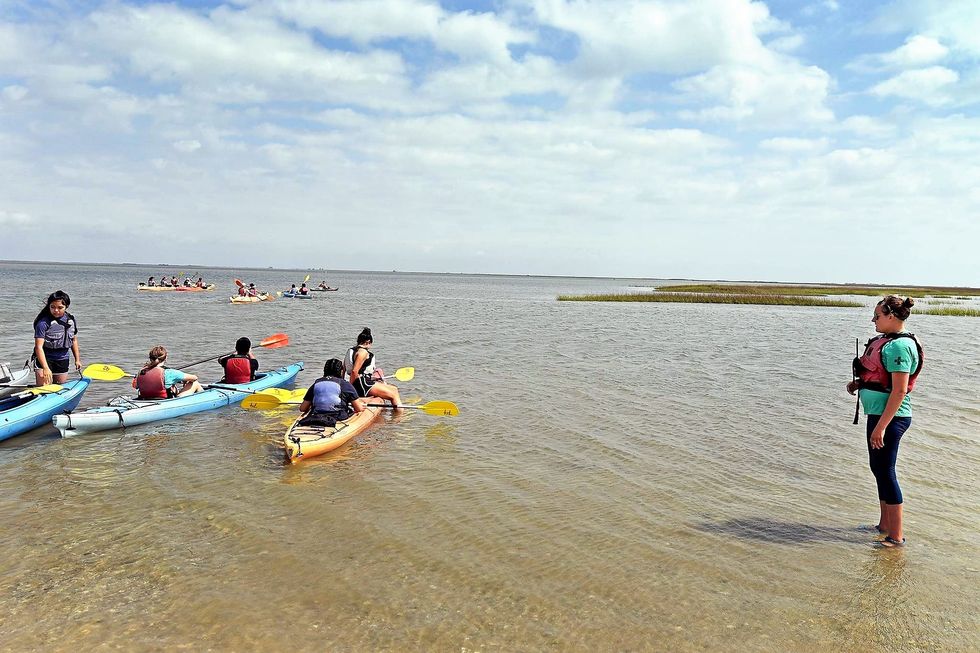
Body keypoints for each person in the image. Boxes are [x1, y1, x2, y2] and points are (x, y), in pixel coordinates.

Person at [847, 295, 923, 548]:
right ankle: (883, 525)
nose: (873, 320)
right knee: (877, 469)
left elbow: (899, 391)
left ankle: (896, 536)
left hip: (892, 418)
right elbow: (882, 379)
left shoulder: (900, 347)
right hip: (879, 415)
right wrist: (861, 383)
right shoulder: (885, 342)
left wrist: (881, 427)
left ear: (891, 316)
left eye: (877, 316)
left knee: (886, 471)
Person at [343, 327, 402, 408]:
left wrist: (342, 383)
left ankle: (397, 414)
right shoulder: (363, 352)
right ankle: (398, 418)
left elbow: (343, 369)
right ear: (368, 342)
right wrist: (351, 390)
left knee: (394, 388)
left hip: (362, 382)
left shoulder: (350, 351)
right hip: (362, 384)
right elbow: (354, 371)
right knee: (393, 394)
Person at [32, 291, 82, 385]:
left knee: (59, 387)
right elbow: (38, 347)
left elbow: (73, 340)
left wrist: (77, 359)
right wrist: (45, 368)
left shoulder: (70, 320)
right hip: (45, 359)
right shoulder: (43, 323)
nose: (56, 310)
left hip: (62, 359)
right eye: (52, 307)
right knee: (43, 389)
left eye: (60, 308)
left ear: (66, 306)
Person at [298, 359, 365, 427]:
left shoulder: (316, 383)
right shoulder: (346, 385)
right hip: (339, 417)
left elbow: (302, 408)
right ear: (341, 371)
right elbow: (358, 408)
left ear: (325, 370)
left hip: (316, 415)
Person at [133, 346, 204, 399]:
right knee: (195, 383)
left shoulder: (141, 372)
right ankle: (204, 399)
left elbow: (135, 386)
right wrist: (183, 380)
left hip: (145, 399)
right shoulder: (169, 372)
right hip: (165, 401)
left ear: (150, 358)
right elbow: (194, 378)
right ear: (166, 358)